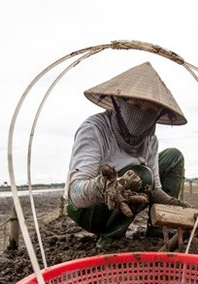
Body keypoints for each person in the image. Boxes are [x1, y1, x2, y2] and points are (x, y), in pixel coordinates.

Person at [65, 62, 189, 248]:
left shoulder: (150, 140)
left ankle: (161, 223)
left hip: (129, 198)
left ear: (158, 115)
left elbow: (154, 187)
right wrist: (105, 187)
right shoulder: (94, 129)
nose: (140, 115)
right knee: (142, 175)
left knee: (173, 156)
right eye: (135, 104)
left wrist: (173, 205)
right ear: (118, 101)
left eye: (150, 111)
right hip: (88, 210)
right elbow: (76, 194)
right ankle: (110, 237)